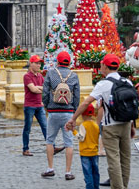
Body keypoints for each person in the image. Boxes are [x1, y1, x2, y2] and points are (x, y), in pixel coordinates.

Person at [66, 54, 135, 189]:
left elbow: (87, 102)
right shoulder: (128, 82)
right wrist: (132, 125)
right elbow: (131, 105)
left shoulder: (103, 84)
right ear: (118, 66)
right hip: (126, 124)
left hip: (110, 127)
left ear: (104, 66)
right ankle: (124, 186)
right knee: (125, 158)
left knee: (113, 159)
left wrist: (73, 118)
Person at [43, 51, 80, 180]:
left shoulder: (51, 73)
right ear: (69, 62)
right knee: (69, 142)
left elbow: (45, 93)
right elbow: (76, 97)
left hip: (53, 112)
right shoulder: (74, 75)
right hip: (68, 113)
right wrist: (74, 113)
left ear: (57, 62)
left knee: (50, 140)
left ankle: (50, 168)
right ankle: (68, 172)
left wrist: (47, 106)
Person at [23, 55, 48, 156]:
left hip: (39, 104)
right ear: (31, 64)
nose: (39, 65)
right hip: (29, 105)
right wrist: (39, 88)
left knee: (45, 127)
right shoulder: (27, 76)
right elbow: (33, 90)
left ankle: (52, 147)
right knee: (27, 128)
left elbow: (45, 88)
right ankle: (25, 149)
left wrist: (37, 88)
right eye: (37, 63)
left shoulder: (40, 76)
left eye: (39, 63)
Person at [74, 104, 100, 189]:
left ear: (82, 114)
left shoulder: (83, 125)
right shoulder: (96, 125)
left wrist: (73, 131)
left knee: (88, 173)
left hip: (85, 153)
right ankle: (96, 187)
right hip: (95, 152)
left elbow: (81, 138)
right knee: (95, 172)